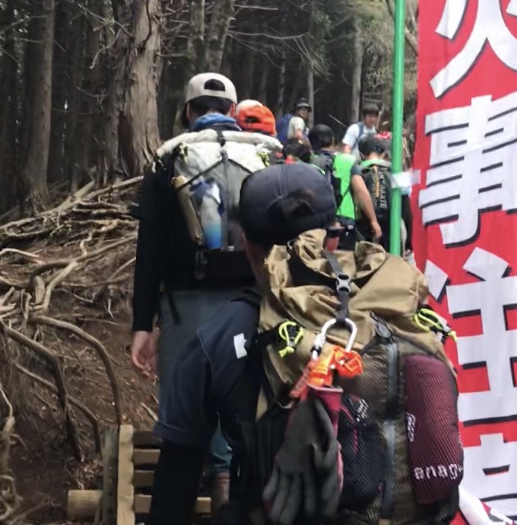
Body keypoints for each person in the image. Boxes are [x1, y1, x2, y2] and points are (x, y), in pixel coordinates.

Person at [145, 164, 462, 525]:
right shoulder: (397, 304)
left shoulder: (216, 338)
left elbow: (174, 488)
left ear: (245, 241)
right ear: (331, 237)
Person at [129, 72, 252, 510]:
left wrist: (144, 324)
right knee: (247, 438)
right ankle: (227, 498)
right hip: (249, 315)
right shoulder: (265, 158)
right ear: (234, 113)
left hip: (185, 315)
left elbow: (150, 252)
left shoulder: (167, 160)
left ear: (187, 111)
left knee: (181, 442)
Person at [308, 124, 377, 249]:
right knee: (345, 263)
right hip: (345, 223)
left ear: (310, 143)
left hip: (315, 225)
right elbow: (361, 192)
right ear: (333, 141)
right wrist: (373, 221)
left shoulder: (307, 162)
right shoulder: (347, 161)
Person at [355, 134, 411, 254]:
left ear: (361, 155)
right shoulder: (397, 172)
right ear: (382, 154)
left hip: (366, 228)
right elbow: (407, 210)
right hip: (392, 227)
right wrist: (409, 241)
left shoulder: (357, 173)